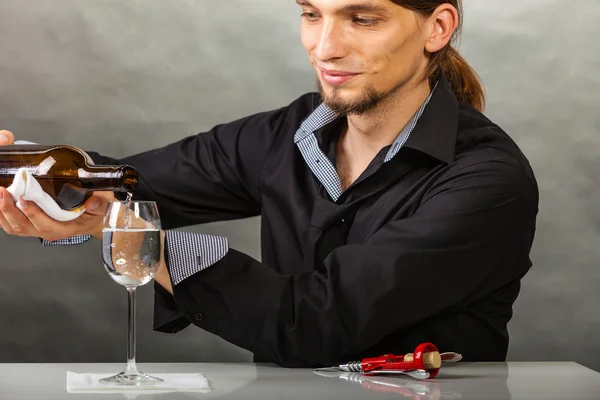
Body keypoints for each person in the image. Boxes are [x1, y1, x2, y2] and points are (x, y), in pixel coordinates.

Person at [0, 0, 538, 368]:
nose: (326, 47)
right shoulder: (287, 134)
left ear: (437, 27)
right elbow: (124, 184)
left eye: (363, 18)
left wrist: (132, 238)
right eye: (311, 14)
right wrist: (29, 177)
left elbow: (316, 320)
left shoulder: (487, 180)